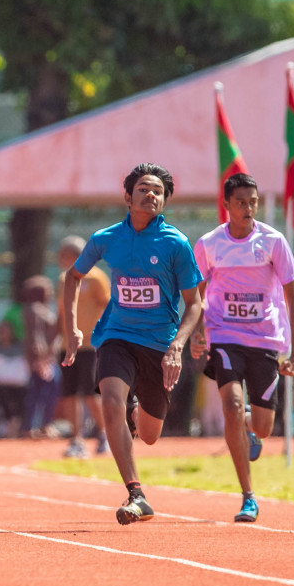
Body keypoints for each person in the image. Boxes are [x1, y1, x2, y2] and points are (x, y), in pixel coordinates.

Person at [61, 163, 203, 525]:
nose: (151, 195)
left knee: (152, 436)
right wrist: (71, 328)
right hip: (117, 337)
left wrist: (177, 347)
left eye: (158, 191)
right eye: (143, 189)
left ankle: (138, 408)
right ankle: (136, 493)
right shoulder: (106, 238)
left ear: (164, 200)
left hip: (159, 344)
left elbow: (194, 304)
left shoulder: (175, 243)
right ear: (128, 196)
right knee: (110, 401)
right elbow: (72, 276)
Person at [190, 173, 294, 523]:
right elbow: (194, 291)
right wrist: (195, 332)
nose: (249, 208)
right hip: (224, 335)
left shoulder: (273, 241)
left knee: (265, 427)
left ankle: (250, 427)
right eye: (241, 202)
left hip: (265, 341)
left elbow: (292, 296)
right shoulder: (209, 244)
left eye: (252, 201)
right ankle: (248, 496)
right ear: (226, 205)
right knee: (232, 404)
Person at [57, 237, 110, 457]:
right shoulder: (63, 279)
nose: (61, 260)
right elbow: (60, 312)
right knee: (69, 393)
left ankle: (104, 434)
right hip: (67, 345)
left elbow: (109, 306)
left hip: (90, 345)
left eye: (64, 256)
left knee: (90, 392)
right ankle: (76, 439)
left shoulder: (96, 278)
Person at [20, 276, 59, 437]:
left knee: (47, 392)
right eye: (47, 290)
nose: (50, 293)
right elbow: (36, 335)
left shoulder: (46, 309)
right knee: (38, 393)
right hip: (42, 359)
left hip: (49, 358)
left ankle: (42, 425)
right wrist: (41, 359)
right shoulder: (34, 309)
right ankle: (31, 427)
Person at [0, 319, 29, 436]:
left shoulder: (20, 348)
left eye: (5, 330)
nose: (2, 333)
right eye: (0, 331)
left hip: (19, 386)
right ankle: (12, 422)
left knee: (24, 395)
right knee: (3, 394)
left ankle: (14, 424)